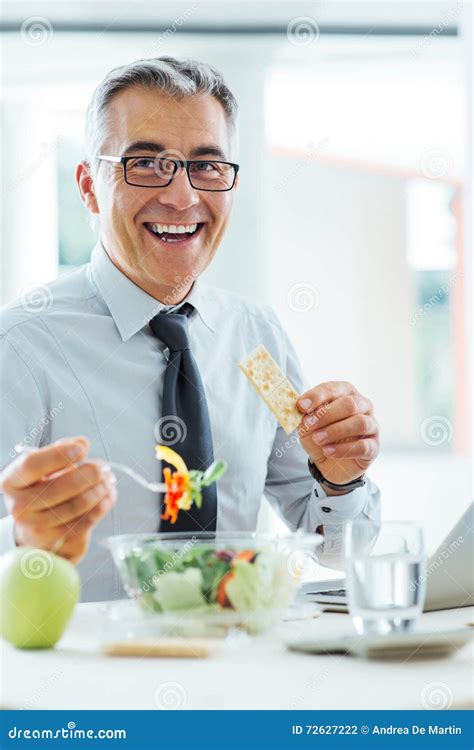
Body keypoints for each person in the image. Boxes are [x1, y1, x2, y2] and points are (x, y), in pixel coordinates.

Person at [0, 57, 380, 601]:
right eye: (147, 164)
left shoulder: (256, 336)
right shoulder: (19, 346)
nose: (182, 197)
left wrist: (340, 479)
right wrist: (22, 539)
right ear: (88, 187)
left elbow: (336, 550)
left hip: (236, 669)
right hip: (86, 678)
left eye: (206, 167)